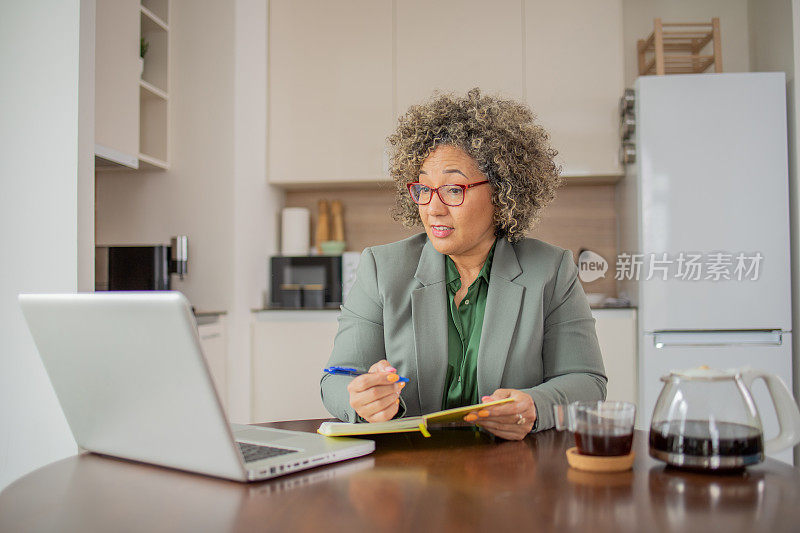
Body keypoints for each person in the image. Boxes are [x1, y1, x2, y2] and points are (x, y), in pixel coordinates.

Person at [320, 88, 606, 440]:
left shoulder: (551, 270)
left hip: (510, 473)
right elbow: (336, 380)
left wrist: (534, 405)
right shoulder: (382, 268)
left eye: (454, 189)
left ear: (503, 194)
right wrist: (363, 401)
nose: (433, 208)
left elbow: (587, 382)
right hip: (409, 477)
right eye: (423, 189)